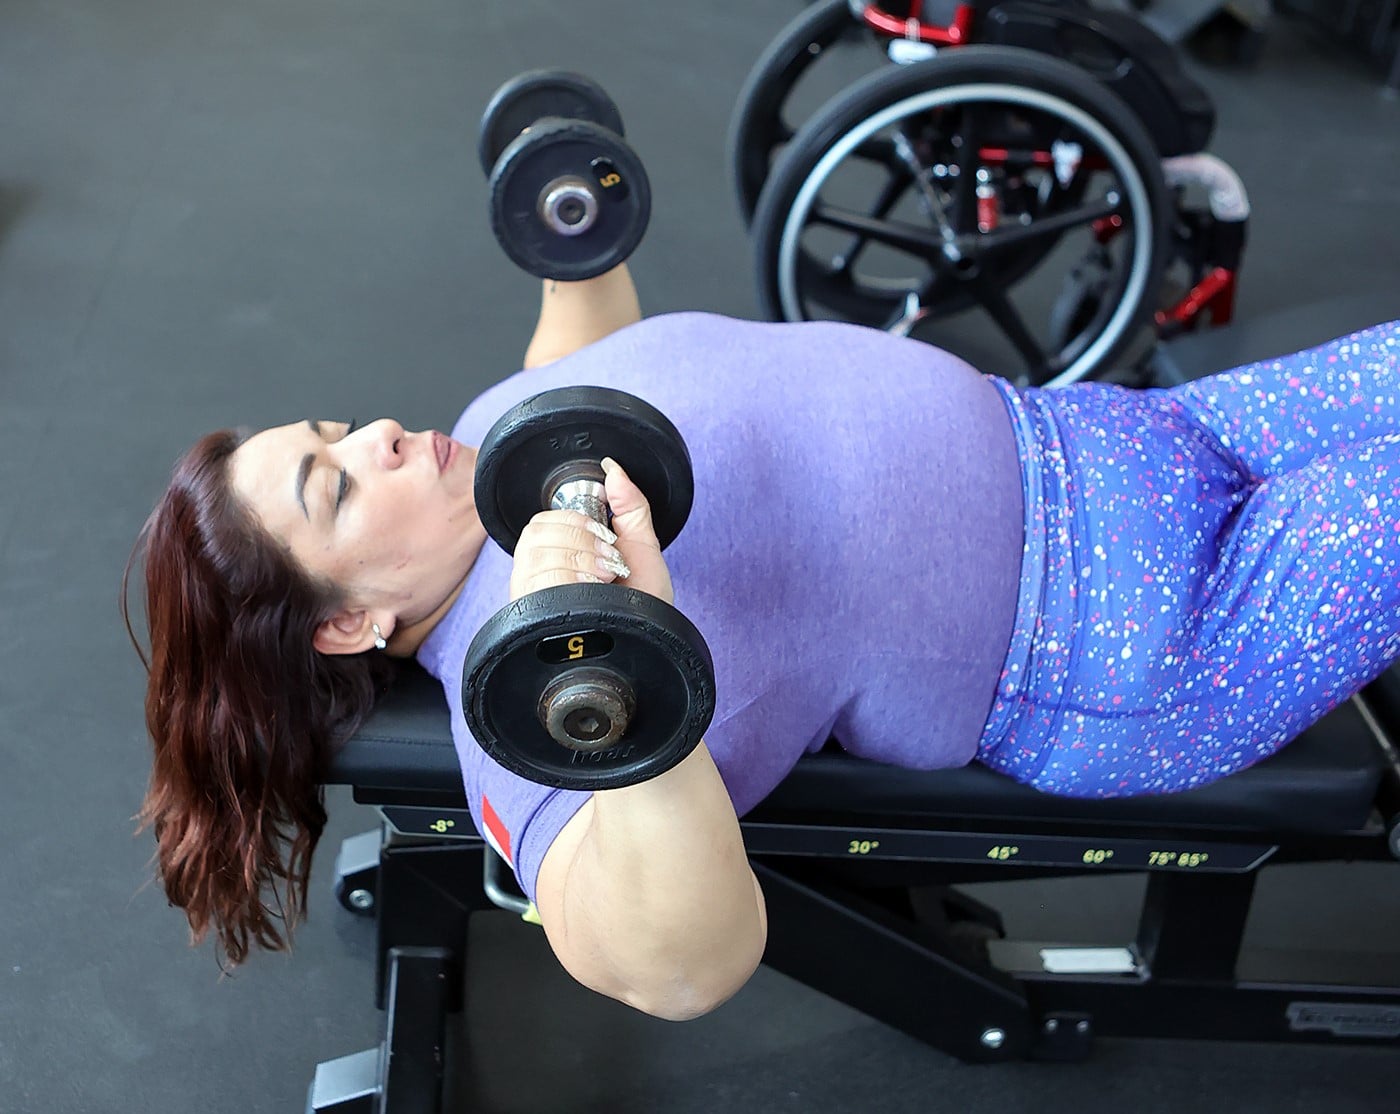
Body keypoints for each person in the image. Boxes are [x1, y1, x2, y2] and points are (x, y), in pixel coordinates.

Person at [125, 262, 1400, 1021]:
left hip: (1128, 437)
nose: (379, 439)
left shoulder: (493, 439)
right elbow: (671, 969)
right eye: (338, 490)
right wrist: (621, 665)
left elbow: (586, 357)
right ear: (349, 620)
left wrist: (576, 246)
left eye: (336, 433)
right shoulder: (535, 689)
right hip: (1140, 638)